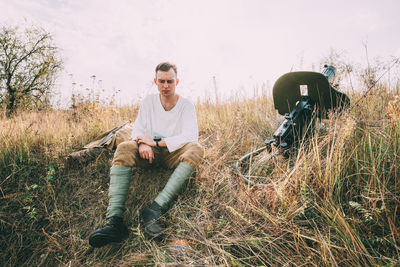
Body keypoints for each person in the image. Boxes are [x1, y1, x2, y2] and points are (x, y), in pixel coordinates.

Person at [88, 62, 204, 248]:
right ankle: (115, 222)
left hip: (173, 153)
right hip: (148, 153)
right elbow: (139, 128)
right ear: (155, 81)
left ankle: (154, 209)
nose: (166, 85)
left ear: (177, 82)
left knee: (196, 149)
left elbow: (190, 136)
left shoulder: (186, 105)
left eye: (170, 81)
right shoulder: (149, 101)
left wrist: (156, 143)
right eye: (162, 81)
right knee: (125, 147)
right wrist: (142, 143)